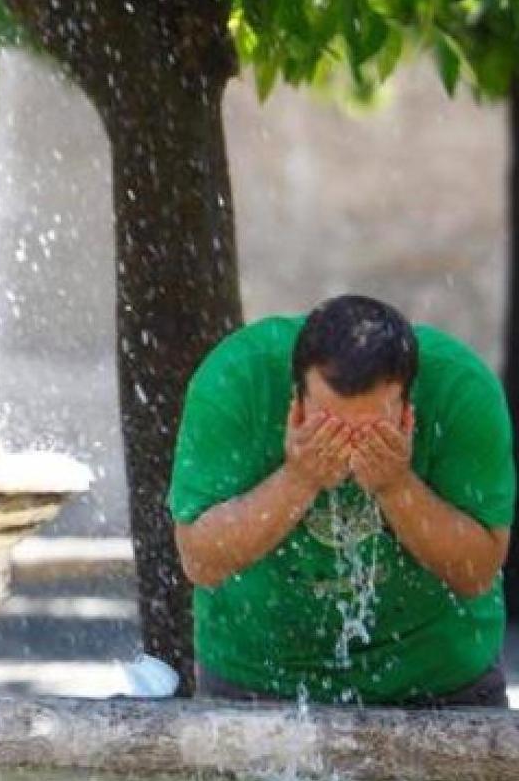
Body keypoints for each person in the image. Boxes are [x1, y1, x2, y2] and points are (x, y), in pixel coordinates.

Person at [169, 295, 514, 706]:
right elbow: (200, 560)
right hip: (260, 676)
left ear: (407, 411)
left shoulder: (461, 391)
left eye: (372, 430)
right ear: (295, 403)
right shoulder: (237, 380)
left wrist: (397, 486)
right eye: (328, 425)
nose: (348, 446)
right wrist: (298, 480)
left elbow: (477, 571)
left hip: (440, 679)